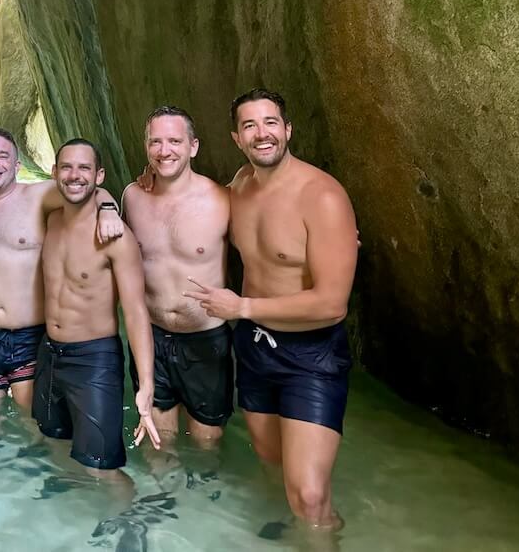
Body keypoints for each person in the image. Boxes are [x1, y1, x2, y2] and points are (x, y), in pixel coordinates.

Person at [185, 89, 357, 531]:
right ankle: (295, 534)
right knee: (272, 464)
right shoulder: (238, 188)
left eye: (270, 123)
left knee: (311, 494)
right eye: (249, 126)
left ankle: (320, 533)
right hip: (256, 349)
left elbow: (332, 304)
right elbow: (186, 205)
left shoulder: (322, 196)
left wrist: (241, 306)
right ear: (237, 138)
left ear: (287, 130)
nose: (262, 134)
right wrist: (129, 190)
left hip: (310, 355)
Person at [0, 128, 124, 414]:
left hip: (32, 337)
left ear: (17, 165)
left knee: (34, 427)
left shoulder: (39, 197)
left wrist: (106, 208)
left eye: (3, 156)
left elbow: (87, 186)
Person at [35, 138, 160, 476]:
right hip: (49, 354)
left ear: (100, 175)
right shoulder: (50, 220)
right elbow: (4, 196)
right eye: (67, 167)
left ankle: (128, 524)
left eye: (84, 168)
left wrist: (145, 385)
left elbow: (136, 313)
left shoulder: (117, 238)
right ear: (54, 172)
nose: (75, 175)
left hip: (93, 360)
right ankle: (72, 520)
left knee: (103, 469)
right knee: (55, 444)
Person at [123, 106, 232, 446]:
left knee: (206, 444)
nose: (164, 150)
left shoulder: (222, 199)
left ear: (193, 147)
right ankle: (162, 499)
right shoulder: (132, 196)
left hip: (204, 340)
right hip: (151, 338)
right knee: (158, 441)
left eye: (174, 141)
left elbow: (265, 240)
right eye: (156, 142)